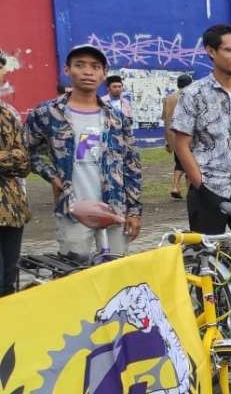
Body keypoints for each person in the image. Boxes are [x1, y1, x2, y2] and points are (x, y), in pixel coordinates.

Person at [25, 44, 142, 259]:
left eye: (95, 66)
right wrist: (53, 177)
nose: (88, 72)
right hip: (73, 210)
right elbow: (30, 150)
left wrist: (134, 211)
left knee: (114, 278)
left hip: (115, 210)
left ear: (103, 73)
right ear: (67, 70)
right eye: (80, 65)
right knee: (74, 273)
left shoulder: (117, 119)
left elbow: (131, 165)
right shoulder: (47, 113)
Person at [171, 24, 231, 234]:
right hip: (209, 189)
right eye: (230, 50)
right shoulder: (193, 94)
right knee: (209, 258)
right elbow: (181, 145)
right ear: (211, 51)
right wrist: (201, 185)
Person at [0, 55, 30, 296]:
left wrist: (14, 157)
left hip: (11, 210)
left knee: (9, 281)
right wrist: (9, 155)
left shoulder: (9, 114)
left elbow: (23, 163)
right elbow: (15, 155)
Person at [162, 73, 193, 200]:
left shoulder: (168, 98)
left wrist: (167, 140)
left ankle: (176, 186)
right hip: (187, 134)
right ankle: (188, 189)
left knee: (179, 161)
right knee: (191, 162)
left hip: (172, 135)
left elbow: (165, 118)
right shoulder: (190, 96)